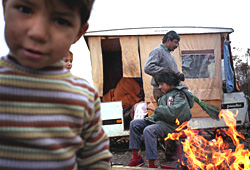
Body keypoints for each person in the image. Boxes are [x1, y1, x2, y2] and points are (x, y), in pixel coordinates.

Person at [0, 0, 112, 170]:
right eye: (25, 9)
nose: (38, 32)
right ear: (4, 6)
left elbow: (95, 161)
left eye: (61, 21)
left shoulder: (84, 96)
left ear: (78, 33)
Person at [128, 69, 194, 168]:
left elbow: (174, 113)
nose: (159, 87)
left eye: (161, 84)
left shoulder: (180, 94)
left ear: (169, 83)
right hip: (164, 123)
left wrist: (156, 109)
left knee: (149, 130)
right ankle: (136, 157)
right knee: (135, 124)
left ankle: (152, 163)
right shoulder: (167, 95)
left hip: (174, 126)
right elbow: (162, 115)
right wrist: (150, 118)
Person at [144, 30, 183, 102]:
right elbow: (148, 67)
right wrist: (166, 71)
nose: (177, 45)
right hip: (161, 90)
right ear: (168, 40)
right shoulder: (158, 51)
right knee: (165, 112)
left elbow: (174, 72)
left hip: (170, 90)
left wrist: (181, 81)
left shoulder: (170, 55)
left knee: (170, 112)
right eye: (175, 42)